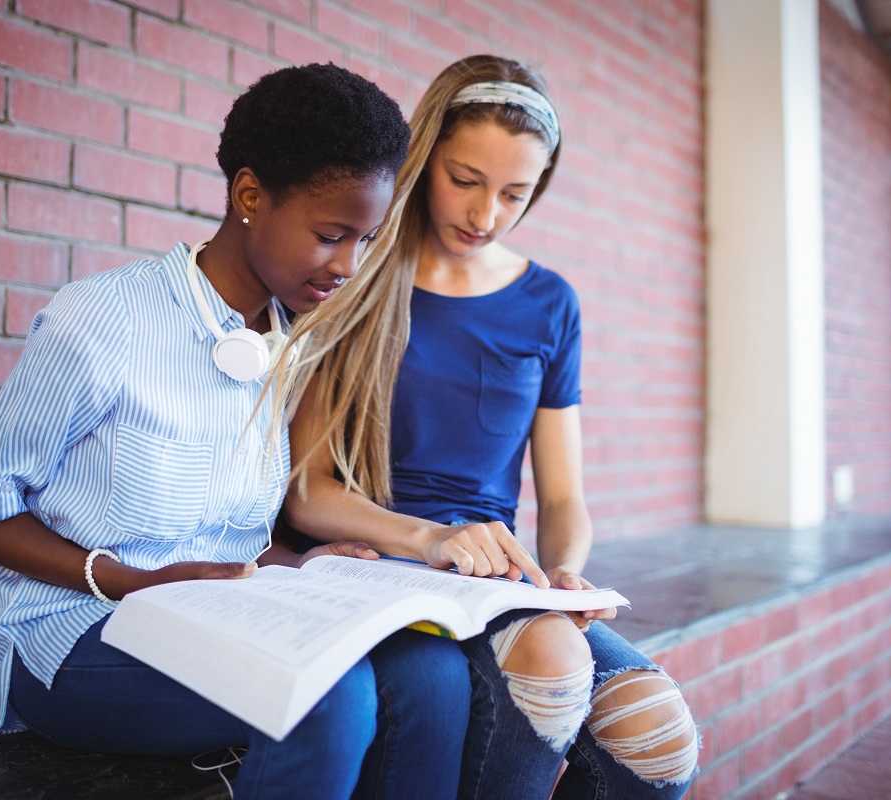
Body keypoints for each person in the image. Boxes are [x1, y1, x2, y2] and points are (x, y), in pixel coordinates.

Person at [0, 63, 470, 800]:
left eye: (366, 239)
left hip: (211, 611)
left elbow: (217, 542)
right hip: (72, 631)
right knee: (320, 695)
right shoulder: (105, 320)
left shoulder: (285, 340)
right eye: (330, 233)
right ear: (250, 195)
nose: (348, 265)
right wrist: (133, 581)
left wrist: (304, 564)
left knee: (432, 670)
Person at [282, 55, 699, 800]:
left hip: (492, 576)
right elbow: (308, 492)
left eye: (515, 193)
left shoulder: (549, 302)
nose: (484, 216)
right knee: (548, 666)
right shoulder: (359, 277)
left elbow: (563, 496)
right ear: (424, 158)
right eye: (464, 181)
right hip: (379, 561)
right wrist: (430, 538)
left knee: (658, 744)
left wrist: (566, 570)